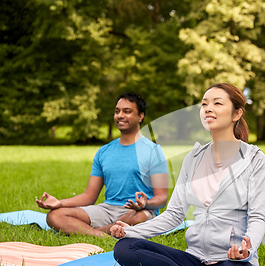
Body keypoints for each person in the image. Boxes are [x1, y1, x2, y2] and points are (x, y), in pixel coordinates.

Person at [111, 83, 265, 266]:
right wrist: (130, 231)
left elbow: (258, 216)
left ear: (237, 113)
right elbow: (175, 214)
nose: (207, 108)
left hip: (233, 262)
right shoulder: (193, 158)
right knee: (124, 248)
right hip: (193, 258)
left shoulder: (254, 159)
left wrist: (246, 251)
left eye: (217, 103)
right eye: (204, 104)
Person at [36, 92, 169, 237]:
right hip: (107, 209)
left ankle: (90, 232)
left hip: (138, 212)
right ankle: (104, 235)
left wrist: (145, 204)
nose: (120, 115)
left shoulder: (153, 151)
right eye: (117, 111)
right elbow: (89, 196)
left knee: (140, 218)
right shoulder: (104, 152)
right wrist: (59, 203)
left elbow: (161, 198)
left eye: (127, 111)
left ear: (140, 116)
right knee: (54, 216)